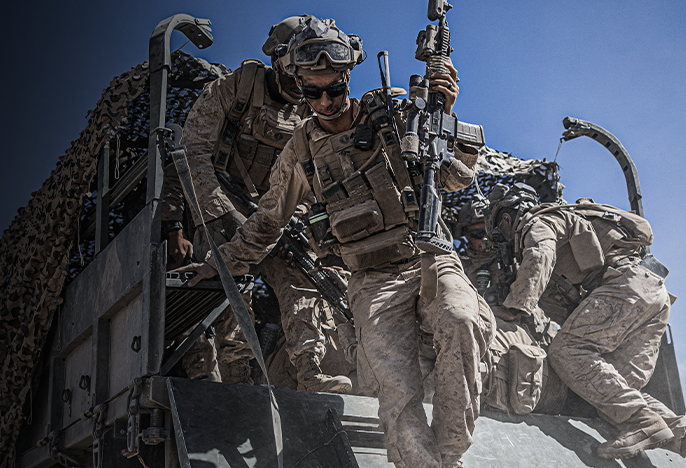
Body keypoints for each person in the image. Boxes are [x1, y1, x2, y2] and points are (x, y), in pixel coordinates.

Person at [173, 16, 492, 468]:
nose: (325, 102)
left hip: (427, 259)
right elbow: (266, 223)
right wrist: (221, 263)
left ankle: (451, 452)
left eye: (334, 91)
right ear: (299, 87)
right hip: (368, 280)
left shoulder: (393, 119)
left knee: (461, 320)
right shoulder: (298, 151)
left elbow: (457, 178)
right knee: (394, 388)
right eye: (312, 92)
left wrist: (445, 120)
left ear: (347, 80)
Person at [162, 14, 352, 393]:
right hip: (215, 205)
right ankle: (237, 380)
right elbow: (192, 153)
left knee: (303, 278)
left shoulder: (313, 109)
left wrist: (290, 220)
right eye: (296, 78)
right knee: (231, 283)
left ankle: (310, 370)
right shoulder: (233, 90)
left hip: (271, 215)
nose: (305, 92)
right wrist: (220, 211)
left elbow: (309, 178)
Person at [489, 185, 684, 459]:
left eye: (499, 231)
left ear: (507, 219)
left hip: (626, 287)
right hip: (653, 293)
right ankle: (680, 434)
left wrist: (515, 307)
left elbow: (539, 255)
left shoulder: (537, 221)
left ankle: (643, 421)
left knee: (566, 351)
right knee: (610, 385)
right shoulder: (567, 218)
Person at [457, 198, 549, 415]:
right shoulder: (458, 266)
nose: (485, 239)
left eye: (488, 231)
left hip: (522, 332)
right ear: (466, 235)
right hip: (482, 330)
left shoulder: (516, 257)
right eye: (477, 234)